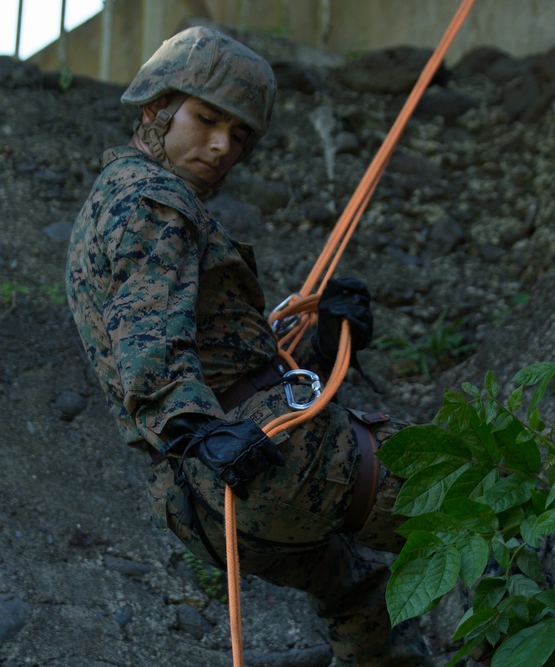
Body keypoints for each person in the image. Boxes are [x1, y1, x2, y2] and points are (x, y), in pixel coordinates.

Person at [65, 25, 429, 666]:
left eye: (239, 136)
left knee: (361, 595)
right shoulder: (155, 201)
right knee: (479, 491)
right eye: (207, 119)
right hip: (264, 463)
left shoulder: (110, 204)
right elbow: (147, 335)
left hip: (202, 506)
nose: (220, 147)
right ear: (157, 106)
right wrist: (192, 424)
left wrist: (325, 334)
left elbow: (229, 359)